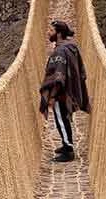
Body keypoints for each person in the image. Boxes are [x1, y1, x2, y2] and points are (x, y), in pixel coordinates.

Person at [40, 20, 89, 162]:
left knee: (61, 120)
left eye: (51, 30)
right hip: (70, 90)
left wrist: (52, 96)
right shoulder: (71, 47)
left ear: (59, 33)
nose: (48, 33)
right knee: (65, 118)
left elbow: (58, 77)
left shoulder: (60, 51)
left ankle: (68, 150)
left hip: (61, 93)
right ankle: (66, 143)